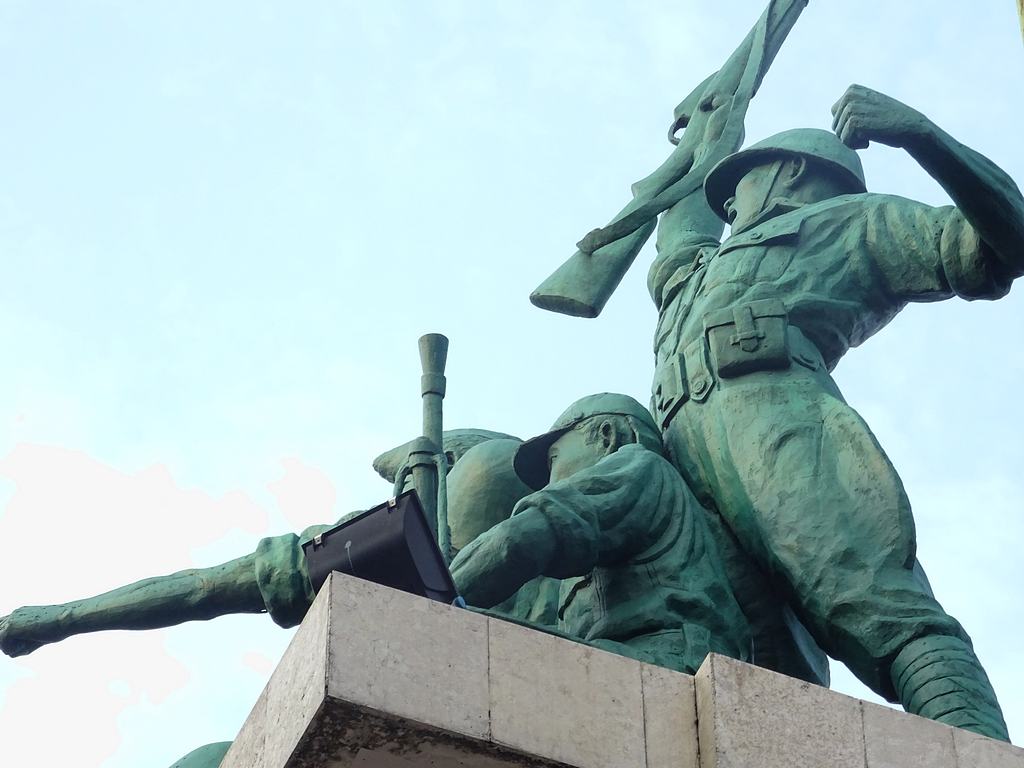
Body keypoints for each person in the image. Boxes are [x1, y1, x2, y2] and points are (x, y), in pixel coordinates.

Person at [647, 84, 1023, 739]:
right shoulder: (698, 272)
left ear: (790, 171)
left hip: (779, 425)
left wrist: (922, 134)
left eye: (740, 183)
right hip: (686, 454)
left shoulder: (849, 224)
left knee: (867, 594)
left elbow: (1009, 242)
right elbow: (682, 223)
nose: (728, 202)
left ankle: (973, 740)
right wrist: (711, 131)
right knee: (751, 645)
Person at [0, 430, 555, 657]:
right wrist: (66, 618)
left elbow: (206, 589)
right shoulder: (367, 541)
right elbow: (207, 589)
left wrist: (64, 618)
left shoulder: (545, 553)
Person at [451, 393, 751, 675]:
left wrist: (438, 592)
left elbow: (518, 539)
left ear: (607, 436)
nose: (549, 484)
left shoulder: (640, 466)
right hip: (630, 659)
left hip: (667, 656)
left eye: (553, 460)